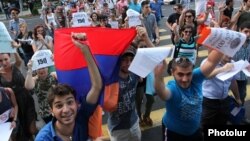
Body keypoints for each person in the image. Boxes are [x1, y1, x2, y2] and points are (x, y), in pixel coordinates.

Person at [35, 32, 103, 141]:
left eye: (70, 102)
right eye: (58, 105)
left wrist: (85, 49)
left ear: (77, 104)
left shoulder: (81, 117)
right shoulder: (43, 139)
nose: (66, 110)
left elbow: (97, 86)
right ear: (51, 110)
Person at [155, 48, 225, 140]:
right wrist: (158, 76)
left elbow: (211, 61)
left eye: (188, 74)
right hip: (174, 133)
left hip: (195, 130)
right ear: (172, 72)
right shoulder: (173, 88)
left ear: (193, 71)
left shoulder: (196, 77)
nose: (185, 79)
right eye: (180, 74)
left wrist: (226, 39)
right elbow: (162, 93)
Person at [107, 26, 154, 141]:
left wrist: (146, 38)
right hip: (118, 129)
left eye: (130, 59)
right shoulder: (110, 78)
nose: (128, 63)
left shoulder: (135, 73)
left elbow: (156, 60)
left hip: (134, 123)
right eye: (124, 60)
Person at [0, 52, 37, 140]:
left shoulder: (15, 66)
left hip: (26, 99)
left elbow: (19, 60)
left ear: (9, 58)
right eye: (0, 60)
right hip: (13, 104)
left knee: (32, 129)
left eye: (6, 59)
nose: (4, 62)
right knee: (21, 130)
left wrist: (14, 49)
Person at [201, 55, 242, 126]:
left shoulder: (233, 63)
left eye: (232, 53)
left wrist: (238, 98)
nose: (230, 56)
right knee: (206, 124)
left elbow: (233, 82)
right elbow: (205, 76)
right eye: (227, 53)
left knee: (222, 122)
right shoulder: (208, 62)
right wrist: (223, 69)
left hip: (224, 100)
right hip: (208, 101)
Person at [233, 21, 250, 124]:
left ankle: (240, 116)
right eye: (246, 31)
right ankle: (230, 115)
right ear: (239, 30)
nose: (248, 34)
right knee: (229, 98)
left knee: (242, 96)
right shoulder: (234, 42)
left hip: (244, 76)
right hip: (232, 77)